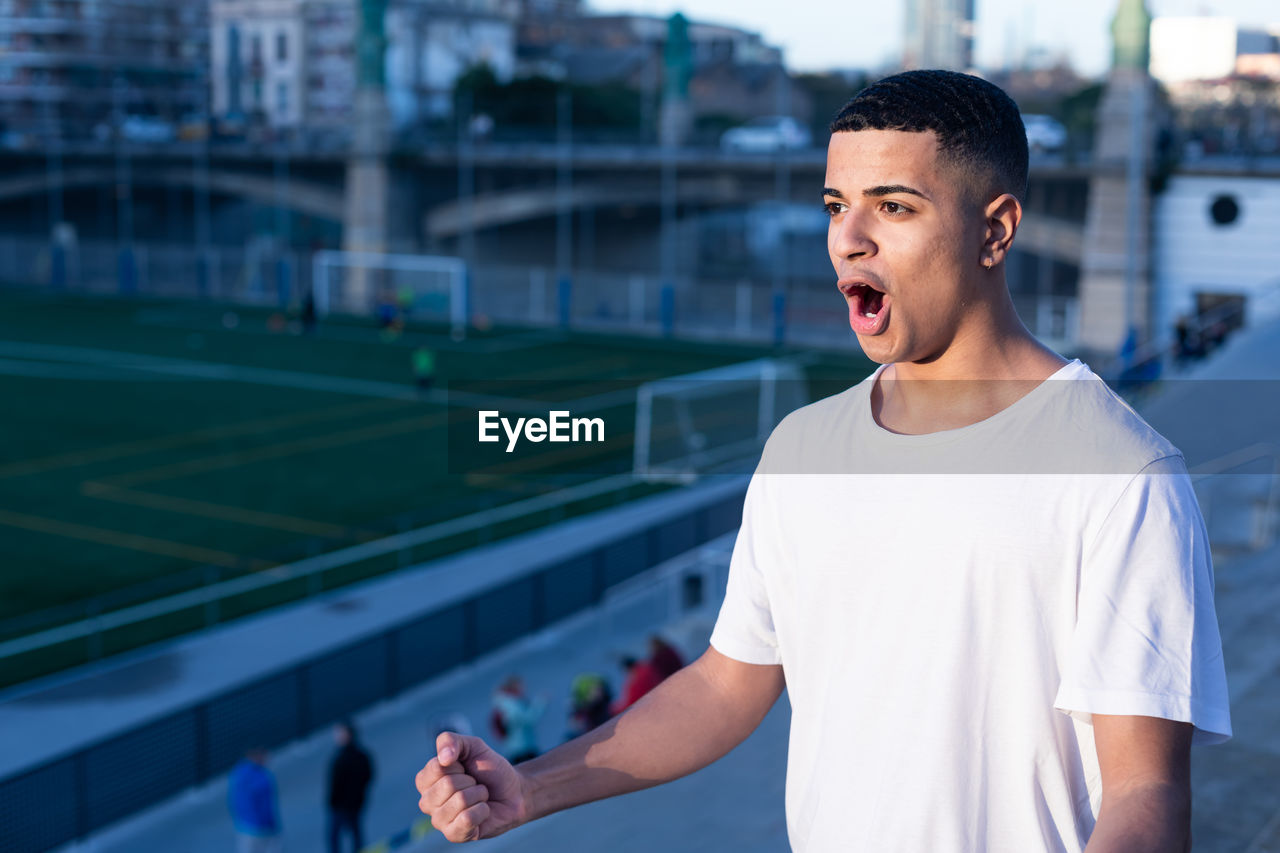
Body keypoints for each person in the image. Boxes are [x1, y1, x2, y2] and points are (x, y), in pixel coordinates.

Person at [415, 70, 1231, 851]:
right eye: (837, 205)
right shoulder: (802, 447)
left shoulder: (1119, 475)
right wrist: (532, 786)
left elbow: (1146, 794)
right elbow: (724, 685)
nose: (849, 237)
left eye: (894, 206)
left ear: (996, 228)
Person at [327, 720, 375, 853]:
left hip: (341, 806)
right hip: (356, 803)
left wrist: (333, 801)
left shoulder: (341, 758)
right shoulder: (362, 756)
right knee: (355, 833)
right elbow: (369, 776)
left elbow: (335, 784)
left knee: (335, 836)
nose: (336, 736)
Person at [227, 747, 281, 853]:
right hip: (260, 827)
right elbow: (262, 806)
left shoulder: (239, 772)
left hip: (246, 825)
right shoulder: (261, 777)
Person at [490, 675, 545, 764]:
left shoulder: (504, 703)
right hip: (521, 748)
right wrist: (541, 703)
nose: (524, 688)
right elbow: (529, 719)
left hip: (514, 748)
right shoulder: (511, 704)